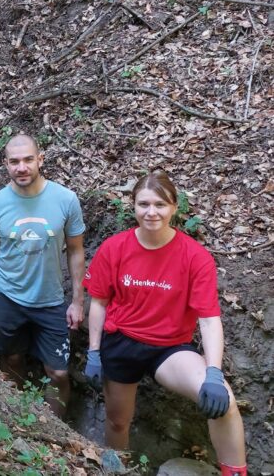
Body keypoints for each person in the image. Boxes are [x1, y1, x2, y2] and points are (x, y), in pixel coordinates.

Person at [83, 172, 247, 476]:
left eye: (160, 204)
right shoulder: (114, 248)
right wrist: (93, 352)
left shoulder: (195, 257)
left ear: (174, 207)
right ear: (133, 206)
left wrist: (213, 372)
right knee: (118, 421)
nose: (151, 212)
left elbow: (209, 320)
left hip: (170, 349)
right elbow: (99, 303)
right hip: (121, 341)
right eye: (143, 204)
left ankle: (235, 471)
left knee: (223, 398)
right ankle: (118, 469)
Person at [0, 134, 86, 418]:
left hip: (50, 299)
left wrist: (77, 300)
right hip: (7, 296)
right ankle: (18, 419)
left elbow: (76, 251)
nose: (21, 167)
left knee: (58, 372)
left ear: (40, 159)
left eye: (28, 160)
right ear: (6, 165)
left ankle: (55, 430)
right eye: (14, 162)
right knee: (11, 359)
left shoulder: (65, 199)